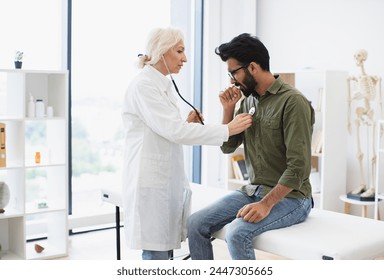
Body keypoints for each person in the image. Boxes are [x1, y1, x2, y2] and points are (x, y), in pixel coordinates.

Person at [121, 27, 252, 260]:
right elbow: (174, 131)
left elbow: (166, 128)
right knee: (156, 255)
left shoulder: (162, 84)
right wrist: (227, 129)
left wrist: (186, 123)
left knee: (163, 252)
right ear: (161, 51)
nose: (185, 58)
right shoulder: (144, 86)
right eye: (179, 51)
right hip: (151, 183)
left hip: (164, 180)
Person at [187, 33, 315, 260]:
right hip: (253, 190)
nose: (231, 81)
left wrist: (266, 204)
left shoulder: (293, 102)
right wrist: (228, 109)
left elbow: (299, 167)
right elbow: (227, 147)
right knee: (195, 223)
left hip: (293, 197)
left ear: (253, 67)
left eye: (234, 72)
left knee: (237, 233)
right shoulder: (247, 101)